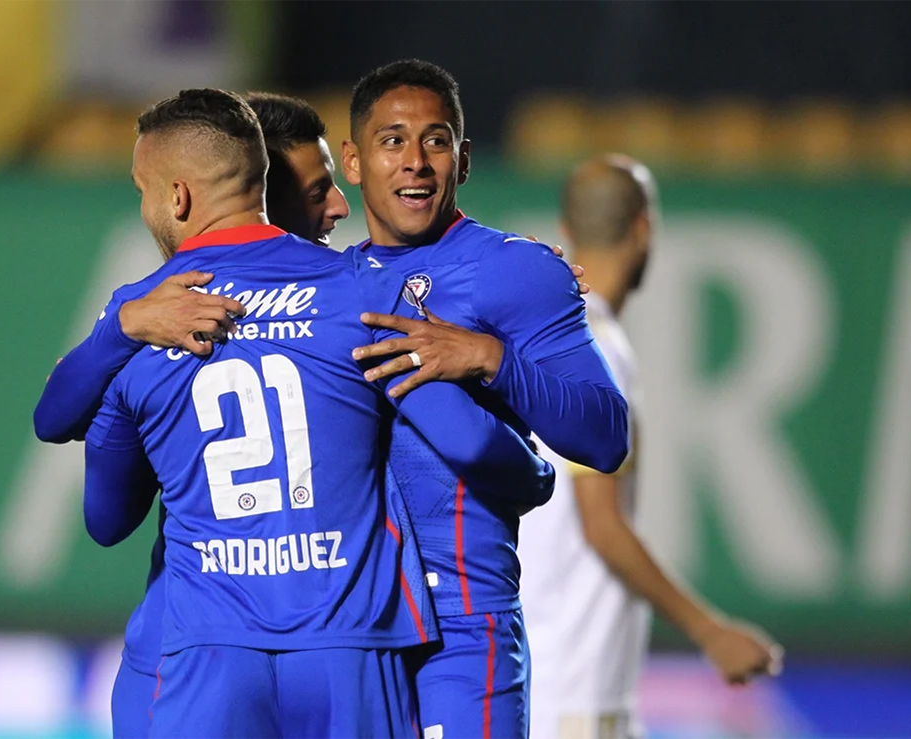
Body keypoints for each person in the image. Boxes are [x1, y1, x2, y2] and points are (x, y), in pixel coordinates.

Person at [69, 88, 554, 738]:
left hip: (189, 649)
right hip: (345, 640)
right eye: (317, 187)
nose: (339, 205)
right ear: (259, 190)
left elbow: (103, 513)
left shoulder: (147, 321)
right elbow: (475, 441)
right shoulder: (361, 305)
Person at [342, 60, 629, 739]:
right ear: (353, 161)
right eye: (392, 140)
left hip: (460, 629)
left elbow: (607, 435)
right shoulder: (327, 285)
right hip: (343, 633)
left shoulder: (515, 270)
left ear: (463, 159)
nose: (415, 162)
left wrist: (490, 359)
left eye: (436, 141)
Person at [517, 154, 782, 739]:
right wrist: (709, 630)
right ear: (643, 228)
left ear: (567, 229)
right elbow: (603, 526)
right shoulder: (598, 349)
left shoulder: (542, 335)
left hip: (535, 672)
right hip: (576, 687)